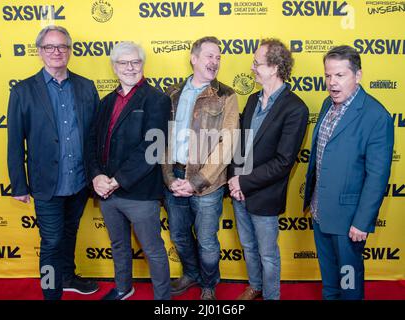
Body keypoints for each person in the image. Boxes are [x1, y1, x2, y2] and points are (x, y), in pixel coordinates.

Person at [7, 25, 100, 300]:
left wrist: (97, 177)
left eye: (62, 46)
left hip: (80, 182)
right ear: (40, 52)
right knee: (51, 242)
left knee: (70, 234)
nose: (56, 52)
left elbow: (95, 137)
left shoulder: (85, 86)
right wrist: (19, 185)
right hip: (46, 184)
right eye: (50, 47)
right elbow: (14, 142)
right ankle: (51, 291)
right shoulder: (23, 91)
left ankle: (68, 277)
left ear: (70, 51)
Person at [303, 45, 394, 300]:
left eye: (340, 75)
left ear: (358, 75)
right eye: (328, 75)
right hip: (321, 212)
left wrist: (361, 221)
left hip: (348, 221)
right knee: (330, 282)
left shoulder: (376, 116)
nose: (332, 83)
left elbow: (377, 176)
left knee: (348, 283)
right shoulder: (326, 104)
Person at [85, 41, 171, 300]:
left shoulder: (157, 99)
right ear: (114, 67)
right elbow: (91, 141)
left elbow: (152, 148)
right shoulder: (106, 101)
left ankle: (163, 300)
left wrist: (117, 180)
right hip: (107, 192)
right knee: (119, 245)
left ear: (142, 64)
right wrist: (97, 176)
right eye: (123, 62)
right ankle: (124, 288)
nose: (130, 67)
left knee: (153, 250)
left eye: (135, 62)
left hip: (140, 192)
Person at [228, 39, 309, 300]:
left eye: (256, 63)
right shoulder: (252, 100)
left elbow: (284, 162)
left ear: (274, 67)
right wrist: (233, 181)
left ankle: (272, 295)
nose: (252, 68)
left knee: (267, 253)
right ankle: (255, 286)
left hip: (265, 194)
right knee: (248, 247)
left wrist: (244, 183)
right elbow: (239, 144)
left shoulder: (295, 108)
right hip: (239, 192)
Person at [161, 36, 239, 300]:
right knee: (180, 236)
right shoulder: (172, 93)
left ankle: (208, 284)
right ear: (194, 58)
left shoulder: (227, 95)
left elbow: (227, 145)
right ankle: (191, 275)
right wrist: (169, 176)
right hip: (175, 179)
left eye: (218, 57)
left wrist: (197, 181)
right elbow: (163, 139)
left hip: (208, 184)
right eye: (209, 56)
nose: (214, 62)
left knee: (207, 242)